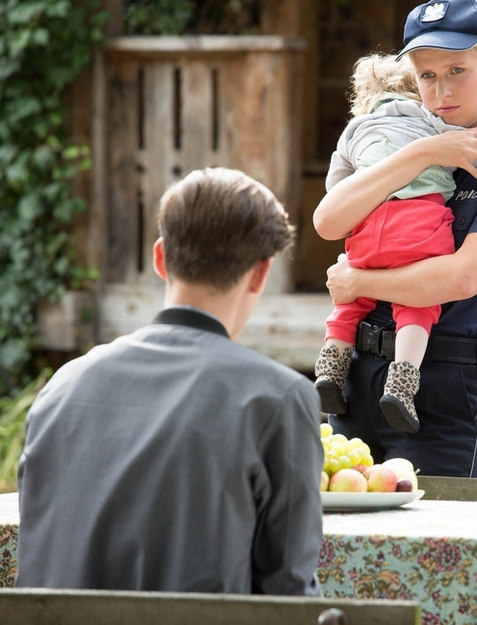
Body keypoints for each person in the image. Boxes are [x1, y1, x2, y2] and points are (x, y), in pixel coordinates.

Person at [16, 167, 323, 595]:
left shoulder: (63, 387)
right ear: (260, 273)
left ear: (160, 258)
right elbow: (289, 596)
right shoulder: (278, 398)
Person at [313, 0, 477, 477]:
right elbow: (328, 222)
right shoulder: (398, 143)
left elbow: (462, 278)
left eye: (456, 70)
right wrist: (421, 155)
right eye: (427, 75)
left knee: (437, 548)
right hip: (356, 379)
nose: (441, 90)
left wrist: (358, 284)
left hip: (443, 391)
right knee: (340, 547)